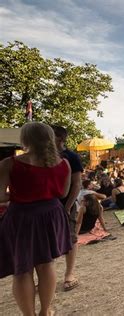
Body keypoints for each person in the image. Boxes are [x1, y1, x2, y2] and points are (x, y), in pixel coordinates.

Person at [0, 122, 72, 315]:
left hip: (21, 216)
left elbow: (0, 195)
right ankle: (45, 311)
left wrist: (16, 195)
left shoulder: (10, 163)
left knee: (22, 268)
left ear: (25, 139)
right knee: (46, 263)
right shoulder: (63, 163)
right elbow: (63, 192)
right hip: (51, 214)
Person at [52, 125, 82, 292]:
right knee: (48, 241)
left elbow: (77, 184)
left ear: (60, 138)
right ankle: (47, 276)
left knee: (70, 238)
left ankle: (69, 274)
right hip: (47, 205)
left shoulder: (72, 157)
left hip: (65, 204)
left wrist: (68, 206)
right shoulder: (43, 157)